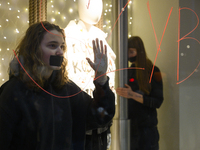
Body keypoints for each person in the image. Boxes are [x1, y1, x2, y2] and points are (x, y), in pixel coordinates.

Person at [0, 21, 115, 150]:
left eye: (62, 46)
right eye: (52, 45)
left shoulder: (66, 89)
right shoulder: (13, 91)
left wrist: (101, 78)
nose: (60, 52)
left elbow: (101, 116)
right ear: (34, 49)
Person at [64, 0, 116, 149]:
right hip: (77, 124)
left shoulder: (102, 40)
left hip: (99, 124)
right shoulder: (67, 37)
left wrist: (102, 79)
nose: (95, 6)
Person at [116, 36, 163, 150]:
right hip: (131, 129)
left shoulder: (153, 71)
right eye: (127, 52)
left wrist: (132, 95)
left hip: (147, 131)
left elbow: (157, 101)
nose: (129, 56)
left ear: (139, 51)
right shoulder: (128, 71)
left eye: (132, 52)